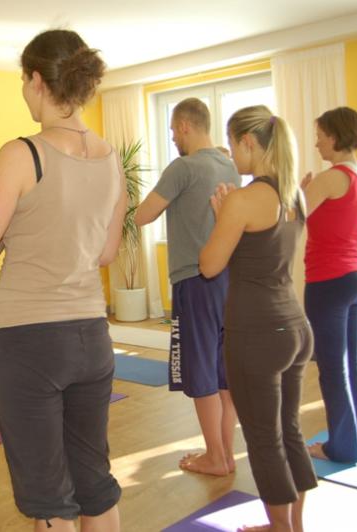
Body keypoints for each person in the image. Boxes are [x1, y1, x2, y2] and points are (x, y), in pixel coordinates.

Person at [0, 29, 125, 532]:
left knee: (49, 496)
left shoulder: (22, 153)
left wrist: (7, 227)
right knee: (94, 480)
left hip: (30, 340)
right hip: (91, 335)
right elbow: (106, 252)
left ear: (36, 80)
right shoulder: (110, 157)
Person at [199, 105, 317, 532]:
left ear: (248, 141)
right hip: (295, 328)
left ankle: (281, 528)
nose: (231, 154)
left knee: (264, 439)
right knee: (289, 431)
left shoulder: (244, 199)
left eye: (232, 145)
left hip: (257, 334)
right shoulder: (294, 194)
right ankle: (293, 525)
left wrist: (222, 218)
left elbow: (210, 265)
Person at [135, 97, 241, 477]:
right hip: (228, 279)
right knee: (224, 373)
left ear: (184, 126)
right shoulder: (230, 164)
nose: (173, 139)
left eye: (172, 131)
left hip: (195, 281)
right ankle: (225, 454)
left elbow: (143, 215)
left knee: (200, 372)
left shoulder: (183, 167)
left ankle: (215, 457)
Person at [301, 107, 357, 463]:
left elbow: (290, 219)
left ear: (333, 136)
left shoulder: (330, 178)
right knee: (351, 365)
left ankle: (342, 448)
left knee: (332, 370)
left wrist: (299, 193)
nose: (316, 143)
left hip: (328, 282)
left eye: (319, 136)